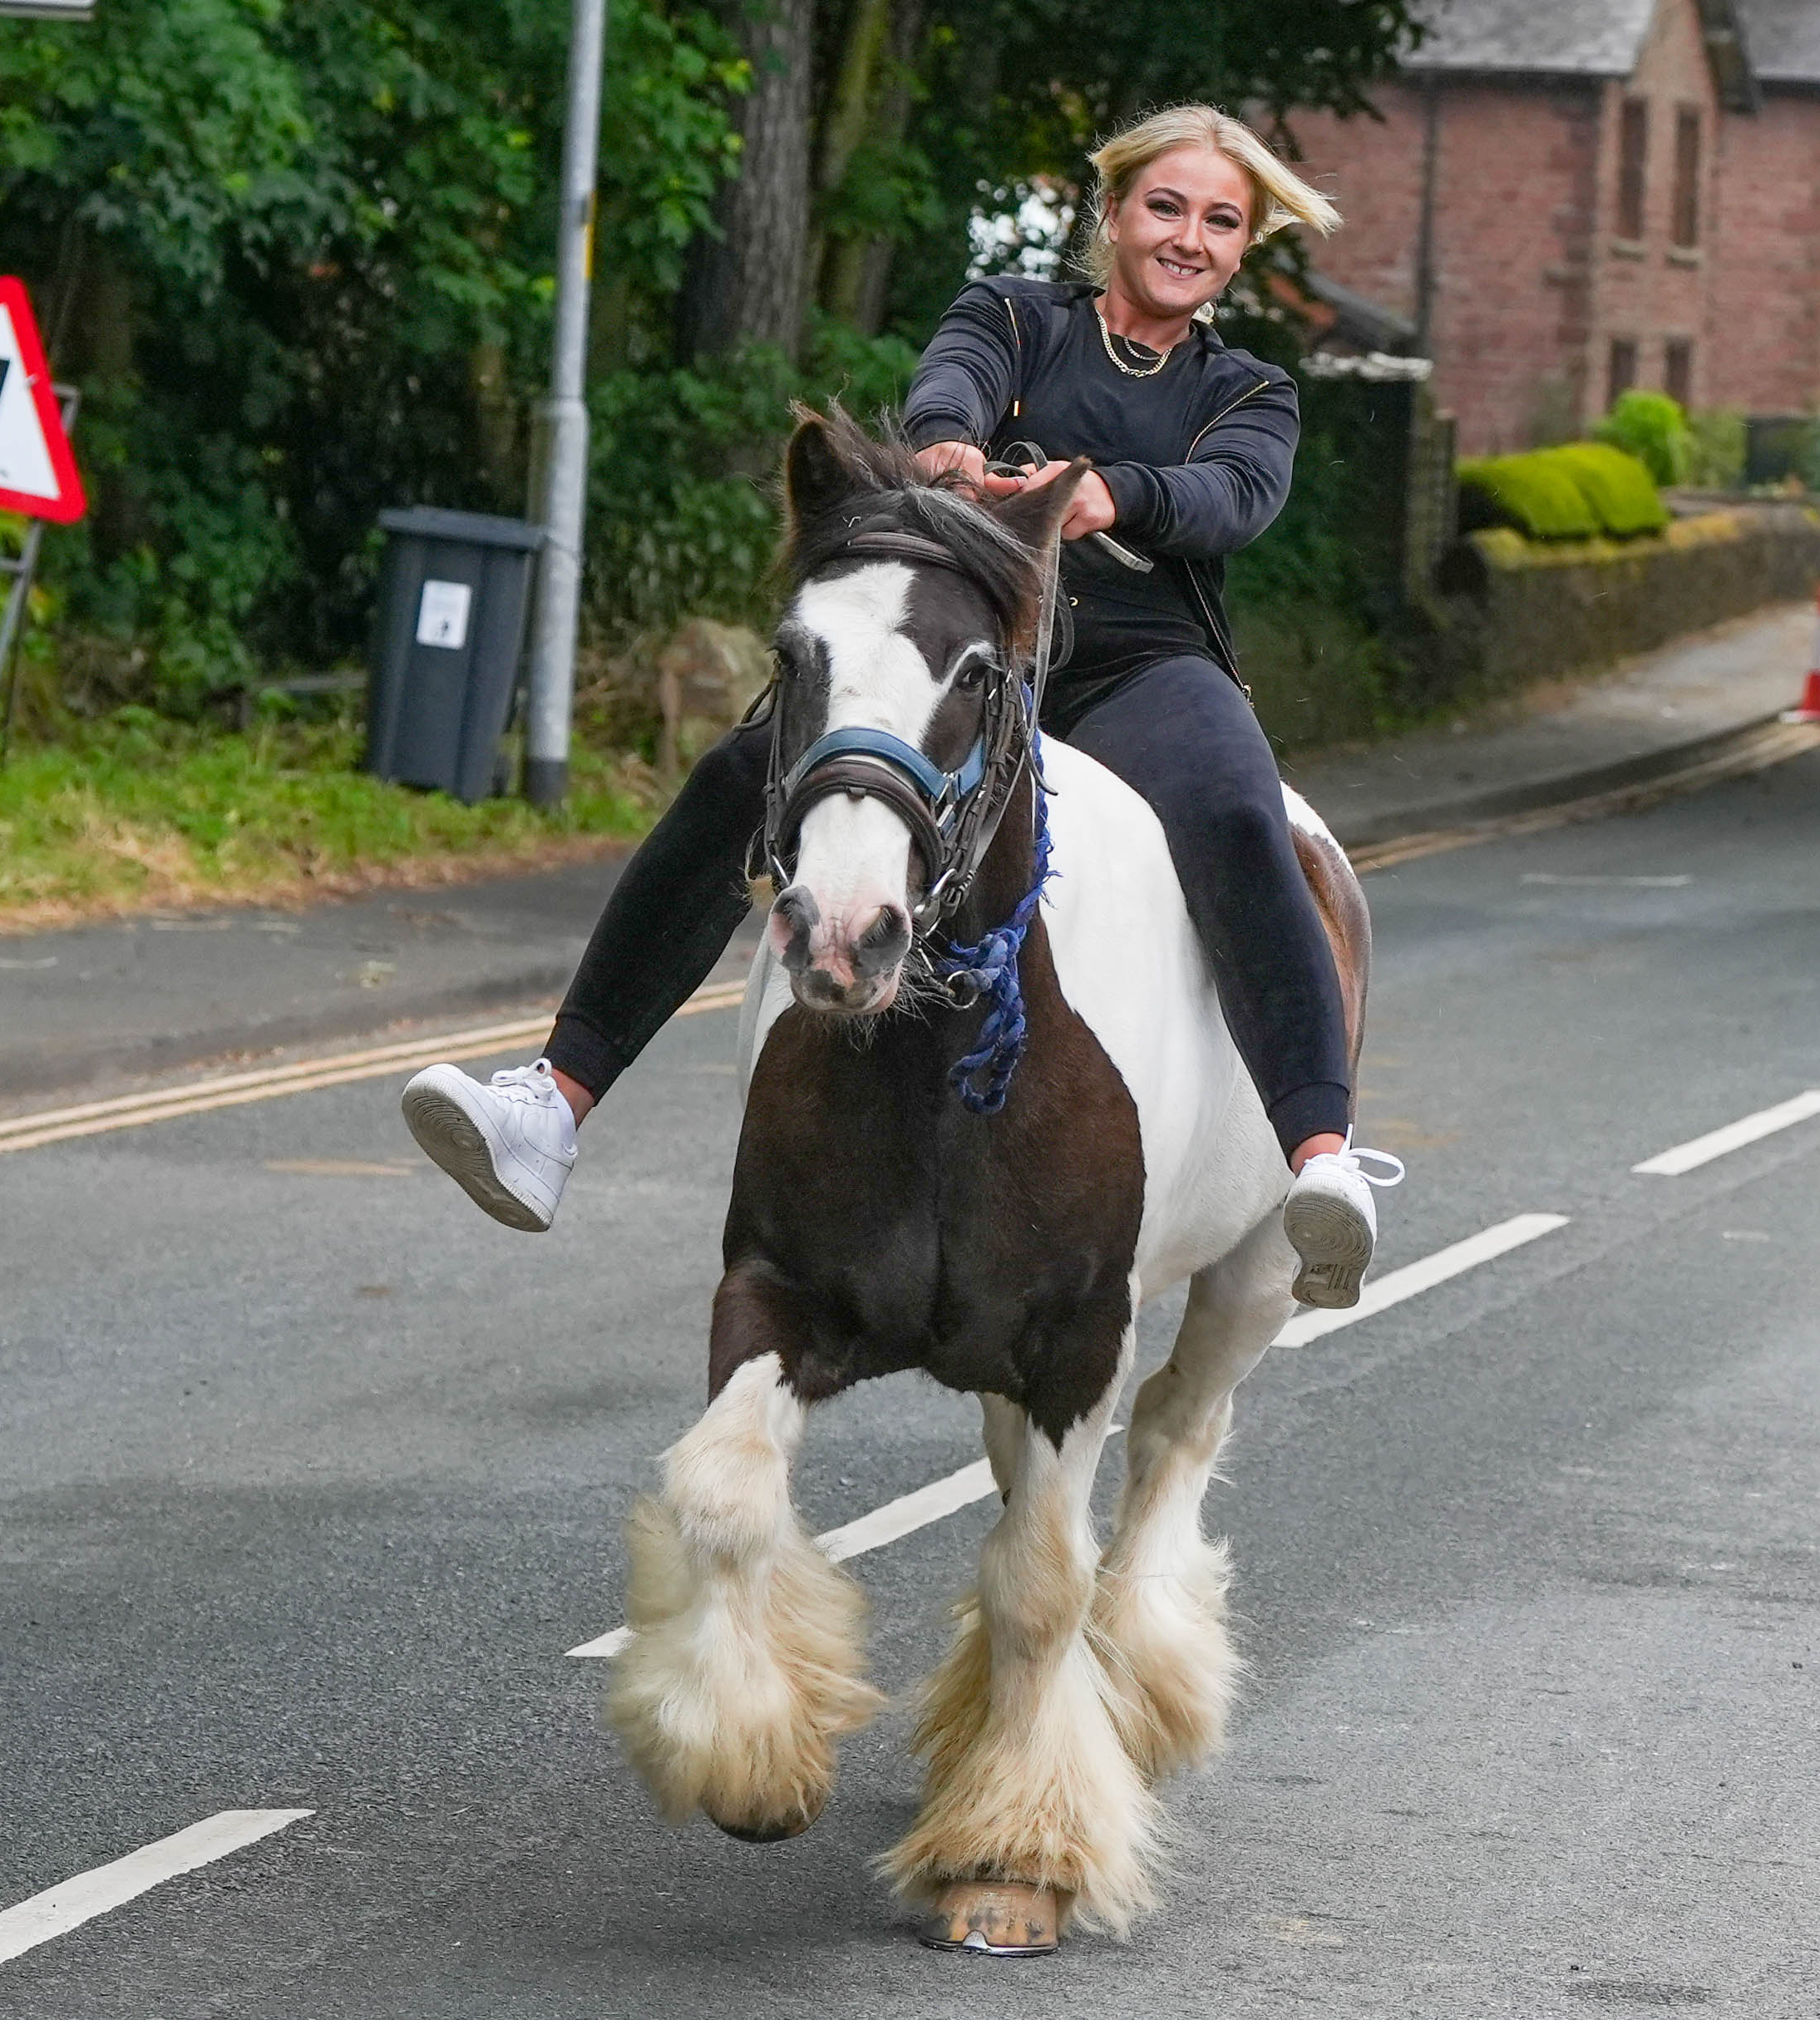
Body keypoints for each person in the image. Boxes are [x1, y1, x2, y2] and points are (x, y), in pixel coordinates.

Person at [399, 104, 1403, 1306]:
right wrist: (944, 451)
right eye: (1167, 207)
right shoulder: (1015, 315)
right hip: (961, 657)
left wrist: (1106, 496)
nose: (1190, 235)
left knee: (1245, 813)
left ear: (1244, 248)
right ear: (1116, 211)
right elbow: (952, 383)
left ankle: (1322, 1159)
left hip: (1140, 667)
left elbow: (1233, 496)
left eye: (1221, 221)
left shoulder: (1252, 390)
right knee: (743, 772)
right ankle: (548, 1108)